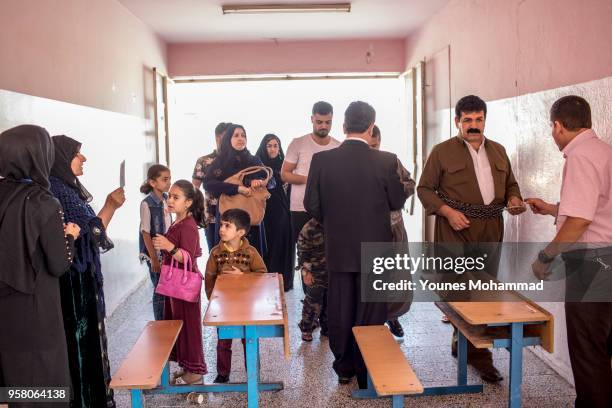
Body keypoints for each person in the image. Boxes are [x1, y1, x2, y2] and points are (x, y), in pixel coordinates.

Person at [417, 95, 525, 383]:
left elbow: (511, 183)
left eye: (478, 119)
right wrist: (447, 212)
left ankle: (468, 345)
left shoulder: (500, 151)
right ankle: (475, 352)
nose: (473, 126)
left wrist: (514, 197)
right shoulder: (441, 152)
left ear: (485, 120)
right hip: (456, 228)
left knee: (484, 287)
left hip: (491, 226)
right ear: (457, 122)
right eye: (467, 120)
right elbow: (424, 189)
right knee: (459, 288)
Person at [304, 101, 407, 388]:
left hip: (338, 247)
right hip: (376, 249)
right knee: (371, 310)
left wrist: (336, 224)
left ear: (344, 126)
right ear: (371, 126)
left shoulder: (322, 161)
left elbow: (311, 204)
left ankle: (344, 367)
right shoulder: (387, 161)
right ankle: (366, 368)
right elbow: (397, 202)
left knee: (340, 308)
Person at [526, 95, 612, 408]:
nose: (553, 134)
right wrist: (551, 209)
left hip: (594, 265)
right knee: (602, 348)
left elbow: (580, 220)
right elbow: (595, 207)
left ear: (558, 126)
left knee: (588, 351)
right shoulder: (602, 150)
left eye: (552, 128)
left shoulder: (579, 156)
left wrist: (545, 256)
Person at [0, 125, 80, 403]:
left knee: (14, 378)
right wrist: (70, 237)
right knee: (46, 382)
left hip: (5, 311)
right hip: (37, 311)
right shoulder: (44, 202)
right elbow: (59, 264)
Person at [50, 135, 125, 408]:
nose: (83, 158)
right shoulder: (55, 192)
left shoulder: (68, 190)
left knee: (90, 345)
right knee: (80, 349)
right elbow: (90, 233)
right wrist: (110, 206)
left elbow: (89, 231)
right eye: (77, 153)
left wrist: (110, 206)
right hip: (72, 285)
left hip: (83, 281)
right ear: (60, 158)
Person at [152, 180, 208, 385]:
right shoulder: (178, 221)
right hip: (175, 282)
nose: (171, 200)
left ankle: (195, 372)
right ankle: (187, 368)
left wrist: (169, 247)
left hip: (183, 282)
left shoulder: (189, 226)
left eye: (176, 197)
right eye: (170, 196)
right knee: (180, 325)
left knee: (189, 327)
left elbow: (190, 258)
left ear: (188, 202)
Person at [282, 101, 340, 291]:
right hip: (300, 209)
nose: (323, 126)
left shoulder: (338, 146)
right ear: (312, 119)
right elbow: (285, 174)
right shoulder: (298, 143)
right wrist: (311, 179)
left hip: (329, 209)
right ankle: (309, 298)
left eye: (328, 122)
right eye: (319, 121)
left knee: (328, 253)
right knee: (305, 256)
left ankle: (326, 297)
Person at [204, 209, 267, 383]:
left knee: (249, 340)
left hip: (247, 307)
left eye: (227, 226)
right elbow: (209, 277)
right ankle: (223, 374)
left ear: (240, 232)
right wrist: (212, 300)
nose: (221, 229)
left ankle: (253, 373)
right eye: (221, 224)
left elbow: (263, 275)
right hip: (224, 307)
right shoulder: (216, 253)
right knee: (223, 341)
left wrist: (244, 276)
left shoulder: (251, 253)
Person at [369, 125, 416, 338]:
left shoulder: (391, 161)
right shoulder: (352, 164)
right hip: (366, 230)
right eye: (368, 146)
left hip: (393, 227)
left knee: (395, 276)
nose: (373, 149)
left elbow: (410, 183)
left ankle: (392, 316)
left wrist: (394, 190)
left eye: (375, 145)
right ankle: (372, 322)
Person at [203, 124, 271, 255]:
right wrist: (237, 188)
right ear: (228, 139)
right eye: (236, 135)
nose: (241, 139)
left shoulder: (253, 160)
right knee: (228, 258)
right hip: (228, 215)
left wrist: (259, 182)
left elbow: (271, 182)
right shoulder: (220, 162)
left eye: (243, 135)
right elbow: (208, 184)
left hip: (251, 214)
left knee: (252, 258)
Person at [255, 134, 294, 291]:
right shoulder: (258, 166)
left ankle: (282, 281)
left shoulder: (285, 166)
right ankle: (266, 279)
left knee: (281, 242)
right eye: (269, 145)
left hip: (282, 212)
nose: (272, 149)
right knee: (267, 244)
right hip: (263, 212)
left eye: (275, 145)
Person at [139, 164, 172, 321]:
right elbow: (145, 233)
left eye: (169, 179)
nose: (169, 182)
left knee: (166, 287)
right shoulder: (147, 204)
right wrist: (153, 259)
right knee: (159, 288)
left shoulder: (167, 200)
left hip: (165, 250)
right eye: (165, 179)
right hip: (154, 253)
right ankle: (160, 322)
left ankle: (167, 318)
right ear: (153, 183)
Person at [193, 122, 231, 251]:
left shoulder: (239, 161)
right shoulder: (204, 161)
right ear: (218, 138)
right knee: (214, 254)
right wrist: (194, 213)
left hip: (234, 216)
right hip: (211, 216)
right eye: (227, 136)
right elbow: (194, 189)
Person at [297, 218, 328, 342]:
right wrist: (306, 272)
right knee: (313, 302)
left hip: (335, 270)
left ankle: (327, 328)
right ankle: (307, 328)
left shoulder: (341, 221)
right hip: (315, 272)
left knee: (331, 302)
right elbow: (302, 251)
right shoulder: (310, 227)